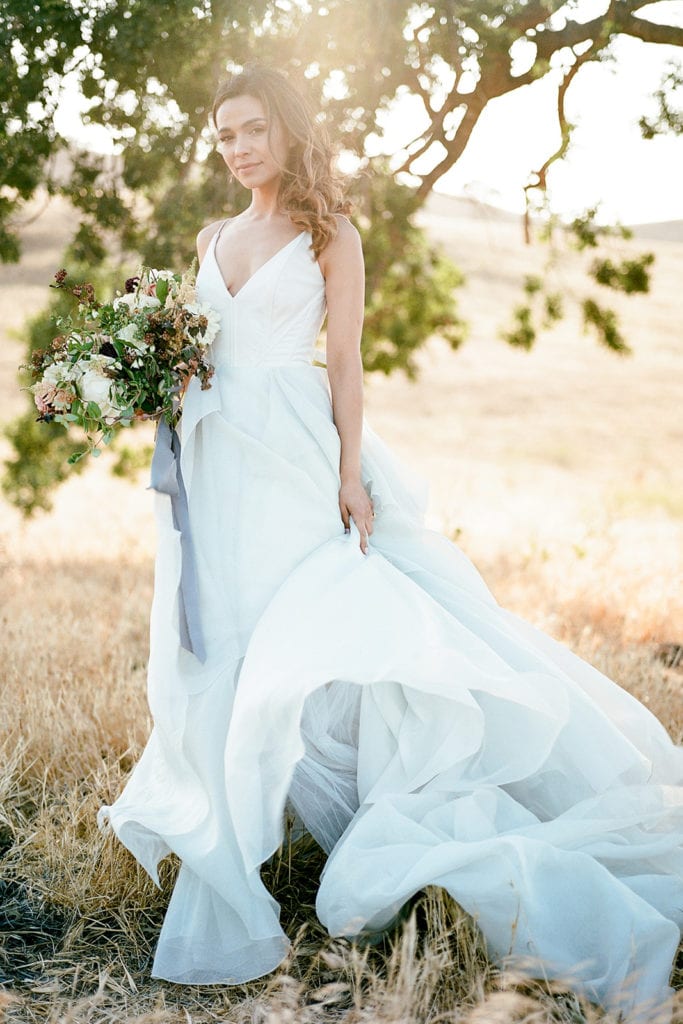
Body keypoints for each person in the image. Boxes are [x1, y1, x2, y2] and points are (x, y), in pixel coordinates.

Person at [98, 62, 683, 1021]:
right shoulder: (212, 237)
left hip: (294, 455)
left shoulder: (331, 233)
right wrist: (138, 374)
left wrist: (347, 471)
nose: (237, 148)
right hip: (214, 462)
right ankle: (244, 826)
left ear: (285, 130)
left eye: (250, 129)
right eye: (223, 135)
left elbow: (346, 361)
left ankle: (355, 817)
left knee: (317, 636)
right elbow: (197, 349)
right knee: (232, 642)